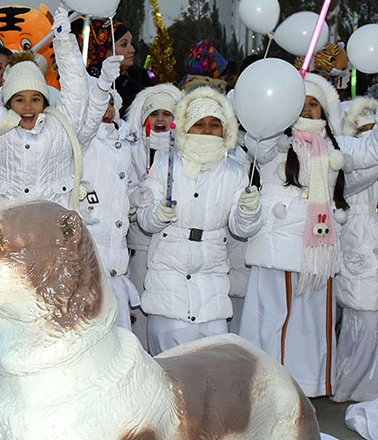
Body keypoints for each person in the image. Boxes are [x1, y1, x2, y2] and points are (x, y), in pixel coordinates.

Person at [240, 74, 378, 396]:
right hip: (279, 256)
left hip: (318, 254)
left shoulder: (336, 147)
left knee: (313, 330)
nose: (307, 109)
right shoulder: (275, 141)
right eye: (300, 103)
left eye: (313, 104)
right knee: (273, 327)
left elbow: (371, 152)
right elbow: (255, 144)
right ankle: (271, 393)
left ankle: (303, 392)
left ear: (324, 111)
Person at [135, 88, 262, 354]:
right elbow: (145, 220)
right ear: (186, 127)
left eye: (214, 125)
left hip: (212, 282)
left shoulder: (235, 171)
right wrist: (157, 215)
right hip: (168, 279)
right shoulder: (165, 164)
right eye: (199, 124)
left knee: (211, 364)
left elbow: (241, 228)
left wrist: (249, 211)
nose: (206, 131)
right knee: (169, 364)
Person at [0, 7, 112, 210]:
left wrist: (64, 42)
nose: (28, 107)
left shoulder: (60, 127)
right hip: (9, 228)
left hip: (53, 230)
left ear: (45, 101)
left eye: (36, 99)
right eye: (19, 100)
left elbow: (76, 90)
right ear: (8, 103)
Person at [78, 77, 141, 330]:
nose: (106, 110)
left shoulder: (127, 141)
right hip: (92, 248)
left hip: (118, 256)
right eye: (100, 103)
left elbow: (131, 183)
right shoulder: (84, 141)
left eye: (111, 103)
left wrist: (136, 197)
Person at [125, 83, 182, 348]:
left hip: (172, 247)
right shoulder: (130, 149)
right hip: (139, 245)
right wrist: (134, 197)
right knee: (137, 309)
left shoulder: (183, 153)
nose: (160, 119)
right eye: (154, 113)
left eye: (166, 114)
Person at [333, 96, 378, 402]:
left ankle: (368, 386)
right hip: (358, 243)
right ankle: (347, 384)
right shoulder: (346, 155)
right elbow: (352, 183)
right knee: (362, 321)